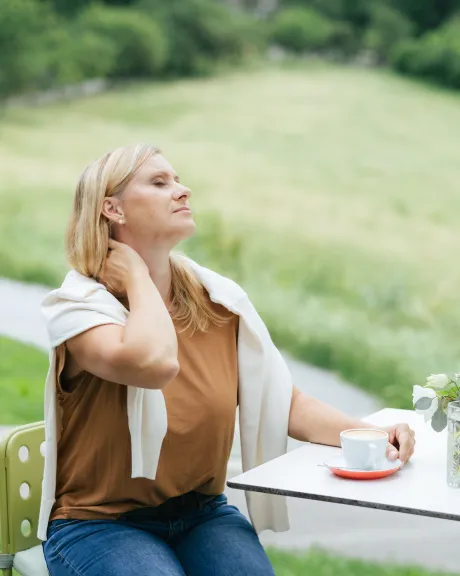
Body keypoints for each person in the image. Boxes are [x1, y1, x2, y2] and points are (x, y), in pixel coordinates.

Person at [40, 144, 415, 576]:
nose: (183, 190)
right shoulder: (79, 309)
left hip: (201, 514)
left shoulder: (216, 301)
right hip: (98, 524)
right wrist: (138, 276)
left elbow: (283, 402)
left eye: (178, 180)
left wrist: (375, 434)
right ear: (113, 209)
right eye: (160, 183)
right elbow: (154, 363)